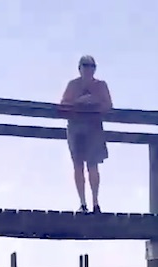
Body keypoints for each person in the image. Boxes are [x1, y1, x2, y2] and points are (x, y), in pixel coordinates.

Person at [59, 55, 113, 214]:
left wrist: (94, 102)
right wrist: (79, 102)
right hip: (76, 128)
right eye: (85, 66)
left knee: (93, 166)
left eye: (91, 66)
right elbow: (63, 106)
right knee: (77, 166)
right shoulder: (73, 85)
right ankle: (82, 204)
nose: (88, 69)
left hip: (94, 128)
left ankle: (95, 203)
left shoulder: (101, 85)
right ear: (79, 68)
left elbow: (108, 106)